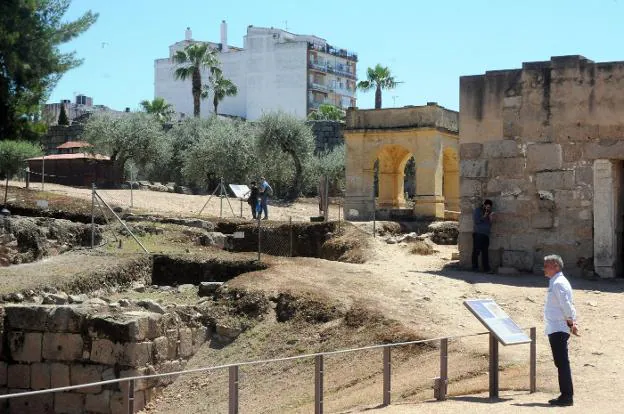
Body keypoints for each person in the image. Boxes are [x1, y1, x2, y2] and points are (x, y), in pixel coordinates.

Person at [543, 254, 579, 407]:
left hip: (559, 327)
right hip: (556, 327)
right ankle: (565, 395)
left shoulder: (558, 283)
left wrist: (571, 323)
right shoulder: (556, 282)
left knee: (562, 363)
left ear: (556, 266)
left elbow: (566, 305)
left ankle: (566, 396)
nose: (544, 269)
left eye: (546, 266)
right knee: (561, 362)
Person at [472, 199, 494, 272]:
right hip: (478, 234)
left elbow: (489, 224)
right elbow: (476, 221)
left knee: (485, 252)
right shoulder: (478, 211)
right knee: (476, 251)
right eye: (487, 207)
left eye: (489, 207)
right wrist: (484, 216)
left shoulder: (489, 212)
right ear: (484, 205)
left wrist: (490, 218)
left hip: (486, 235)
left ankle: (486, 269)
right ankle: (474, 267)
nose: (488, 208)